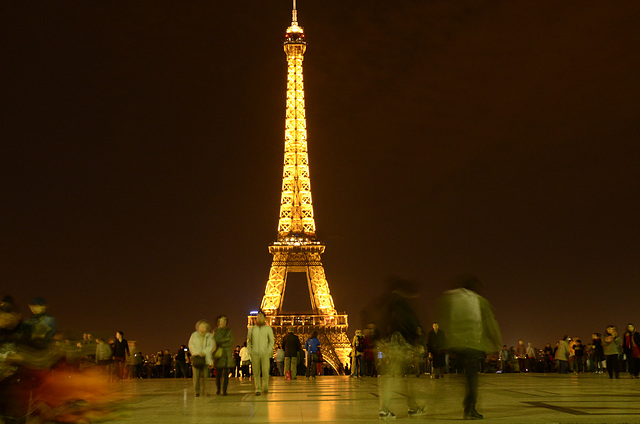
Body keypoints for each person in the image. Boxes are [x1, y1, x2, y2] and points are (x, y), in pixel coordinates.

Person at [437, 274, 502, 420]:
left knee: (464, 375)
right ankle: (470, 408)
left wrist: (446, 342)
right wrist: (496, 343)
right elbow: (490, 323)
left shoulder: (452, 299)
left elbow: (444, 318)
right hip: (473, 345)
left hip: (457, 345)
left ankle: (465, 402)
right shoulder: (480, 301)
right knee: (472, 378)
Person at [362, 277, 426, 420]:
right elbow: (411, 323)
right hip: (398, 345)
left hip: (389, 344)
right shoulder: (400, 304)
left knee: (399, 378)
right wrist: (417, 341)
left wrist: (376, 340)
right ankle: (388, 409)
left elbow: (367, 314)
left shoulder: (384, 302)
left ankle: (411, 406)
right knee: (402, 378)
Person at [247, 311, 274, 395]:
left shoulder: (268, 329)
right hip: (255, 353)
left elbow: (271, 341)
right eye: (258, 317)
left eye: (261, 317)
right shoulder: (252, 329)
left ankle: (265, 386)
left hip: (264, 353)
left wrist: (268, 350)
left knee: (265, 371)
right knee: (256, 372)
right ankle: (258, 388)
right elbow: (249, 340)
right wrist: (251, 351)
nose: (259, 318)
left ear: (264, 318)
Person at [189, 319, 215, 397]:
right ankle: (196, 391)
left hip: (206, 358)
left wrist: (204, 352)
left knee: (206, 376)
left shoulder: (209, 336)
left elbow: (211, 346)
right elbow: (191, 345)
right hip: (196, 358)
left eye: (204, 327)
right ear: (198, 328)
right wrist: (196, 353)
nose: (203, 328)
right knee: (196, 376)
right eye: (201, 327)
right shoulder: (194, 335)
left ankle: (206, 391)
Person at [213, 315, 234, 395]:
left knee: (226, 373)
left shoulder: (229, 331)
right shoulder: (216, 331)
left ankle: (224, 389)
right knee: (218, 374)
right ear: (218, 322)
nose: (223, 322)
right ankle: (218, 389)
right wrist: (226, 339)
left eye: (225, 321)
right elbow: (216, 341)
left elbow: (231, 342)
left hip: (227, 355)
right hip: (219, 354)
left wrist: (221, 342)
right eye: (222, 321)